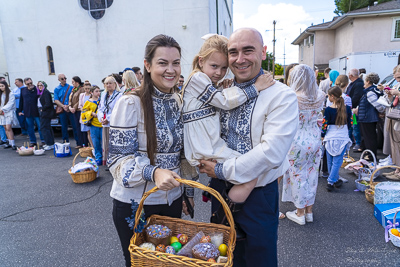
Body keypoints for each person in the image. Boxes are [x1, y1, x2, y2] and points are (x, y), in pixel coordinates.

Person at [199, 28, 298, 267]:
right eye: (233, 52)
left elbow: (271, 152)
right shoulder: (223, 91)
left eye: (248, 50)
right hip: (220, 190)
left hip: (258, 195)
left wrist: (222, 170)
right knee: (223, 255)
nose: (240, 59)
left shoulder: (281, 96)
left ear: (263, 53)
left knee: (259, 258)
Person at [108, 34, 190, 267]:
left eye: (175, 63)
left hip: (172, 199)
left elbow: (180, 153)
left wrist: (186, 192)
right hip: (137, 204)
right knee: (141, 264)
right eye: (162, 63)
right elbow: (117, 160)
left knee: (168, 262)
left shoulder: (177, 100)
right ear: (147, 64)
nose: (170, 70)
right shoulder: (130, 103)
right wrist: (153, 172)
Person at [182, 34, 274, 214]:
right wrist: (255, 87)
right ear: (201, 61)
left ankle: (232, 198)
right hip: (205, 144)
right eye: (214, 66)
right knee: (250, 167)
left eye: (224, 68)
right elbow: (223, 102)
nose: (219, 72)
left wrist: (222, 87)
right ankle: (234, 200)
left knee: (245, 164)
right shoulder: (197, 79)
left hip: (209, 142)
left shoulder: (207, 81)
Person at [282, 64, 325, 225]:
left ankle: (299, 213)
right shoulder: (320, 95)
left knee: (298, 175)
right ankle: (309, 212)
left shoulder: (292, 96)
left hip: (297, 140)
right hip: (314, 138)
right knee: (312, 175)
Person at [322, 86, 352, 191]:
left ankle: (331, 181)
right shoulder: (347, 108)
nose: (328, 98)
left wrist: (322, 136)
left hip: (330, 136)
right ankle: (333, 180)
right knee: (337, 161)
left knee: (330, 161)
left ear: (333, 96)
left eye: (328, 96)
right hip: (342, 136)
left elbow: (324, 124)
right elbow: (351, 123)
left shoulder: (328, 110)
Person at [353, 72, 385, 159]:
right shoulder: (372, 91)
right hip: (368, 117)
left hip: (368, 118)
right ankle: (370, 154)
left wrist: (382, 111)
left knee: (369, 137)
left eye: (365, 81)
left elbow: (377, 105)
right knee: (369, 137)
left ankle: (371, 156)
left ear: (368, 81)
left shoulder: (370, 92)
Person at [98, 76, 122, 167]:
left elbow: (118, 110)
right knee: (106, 143)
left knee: (114, 144)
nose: (108, 85)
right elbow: (100, 108)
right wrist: (101, 118)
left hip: (114, 123)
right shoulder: (103, 95)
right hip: (105, 123)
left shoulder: (119, 95)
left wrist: (108, 118)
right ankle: (108, 161)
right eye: (106, 83)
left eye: (110, 83)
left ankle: (115, 162)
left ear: (115, 84)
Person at [383, 66, 400, 179]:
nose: (395, 75)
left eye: (398, 72)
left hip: (398, 118)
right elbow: (391, 102)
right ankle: (397, 169)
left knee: (398, 144)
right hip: (394, 117)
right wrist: (390, 94)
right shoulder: (397, 84)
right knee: (395, 145)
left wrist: (397, 93)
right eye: (395, 72)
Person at [54, 74, 79, 144]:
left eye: (65, 78)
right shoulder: (56, 89)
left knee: (75, 126)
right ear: (59, 80)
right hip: (62, 110)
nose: (64, 80)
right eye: (62, 79)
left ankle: (78, 142)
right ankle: (65, 142)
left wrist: (68, 106)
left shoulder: (71, 87)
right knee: (64, 127)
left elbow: (74, 98)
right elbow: (56, 100)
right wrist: (63, 106)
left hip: (70, 109)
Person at [19, 78, 44, 147]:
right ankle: (33, 141)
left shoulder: (36, 89)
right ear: (25, 84)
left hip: (36, 110)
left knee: (40, 126)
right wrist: (20, 110)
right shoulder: (23, 90)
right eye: (28, 84)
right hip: (27, 111)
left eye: (31, 83)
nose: (30, 85)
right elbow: (21, 101)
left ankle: (43, 140)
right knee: (30, 127)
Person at [81, 85, 102, 165]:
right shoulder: (88, 102)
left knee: (104, 142)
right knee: (96, 142)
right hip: (94, 124)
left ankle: (105, 157)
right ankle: (98, 157)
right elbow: (83, 112)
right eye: (96, 91)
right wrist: (91, 113)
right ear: (92, 92)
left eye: (99, 91)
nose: (98, 93)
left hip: (102, 124)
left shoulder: (102, 100)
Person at [346, 69, 364, 152]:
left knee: (355, 126)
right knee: (352, 126)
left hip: (354, 109)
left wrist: (350, 105)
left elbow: (356, 96)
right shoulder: (354, 83)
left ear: (351, 76)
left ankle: (358, 142)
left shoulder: (358, 84)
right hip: (352, 109)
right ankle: (352, 141)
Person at [68, 76, 86, 148]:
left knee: (81, 127)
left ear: (77, 82)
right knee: (76, 127)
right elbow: (70, 99)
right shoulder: (73, 90)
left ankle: (83, 143)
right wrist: (69, 107)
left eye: (73, 82)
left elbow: (80, 100)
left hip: (78, 110)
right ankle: (79, 143)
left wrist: (74, 108)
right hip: (73, 110)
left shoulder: (81, 90)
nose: (72, 83)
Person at [37, 81, 55, 150]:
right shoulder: (41, 93)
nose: (39, 87)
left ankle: (49, 143)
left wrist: (42, 109)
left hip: (46, 113)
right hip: (44, 112)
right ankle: (50, 143)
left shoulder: (46, 92)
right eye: (38, 85)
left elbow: (48, 103)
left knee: (44, 128)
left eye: (41, 85)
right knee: (47, 127)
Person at [0, 81, 17, 149]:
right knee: (5, 128)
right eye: (0, 86)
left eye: (2, 86)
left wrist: (2, 109)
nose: (1, 87)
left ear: (6, 86)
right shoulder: (0, 94)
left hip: (8, 113)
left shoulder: (10, 94)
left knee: (8, 128)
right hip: (1, 114)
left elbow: (10, 103)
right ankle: (9, 142)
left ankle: (13, 144)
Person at [79, 80, 93, 147]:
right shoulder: (82, 95)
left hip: (91, 114)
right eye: (86, 89)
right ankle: (88, 145)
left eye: (88, 88)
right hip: (84, 115)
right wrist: (84, 111)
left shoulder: (92, 95)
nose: (87, 90)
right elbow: (80, 105)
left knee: (91, 131)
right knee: (87, 132)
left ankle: (92, 145)